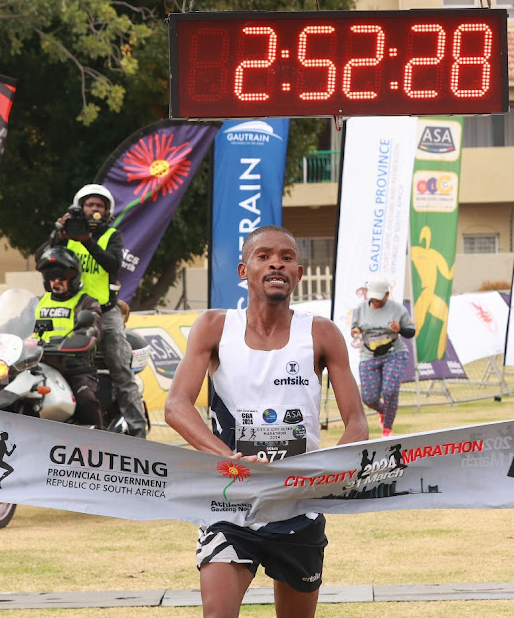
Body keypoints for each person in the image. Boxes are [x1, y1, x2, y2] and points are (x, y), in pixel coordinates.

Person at [164, 225, 368, 618]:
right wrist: (230, 460)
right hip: (231, 501)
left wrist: (323, 476)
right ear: (244, 270)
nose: (276, 262)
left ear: (298, 274)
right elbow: (176, 406)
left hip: (298, 505)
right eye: (264, 256)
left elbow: (357, 424)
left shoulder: (321, 333)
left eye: (287, 257)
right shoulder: (215, 326)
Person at [36, 184, 147, 437]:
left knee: (120, 367)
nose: (94, 209)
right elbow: (40, 259)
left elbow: (113, 265)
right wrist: (58, 235)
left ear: (106, 211)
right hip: (70, 309)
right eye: (89, 205)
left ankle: (139, 432)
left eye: (99, 205)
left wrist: (87, 241)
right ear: (80, 208)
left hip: (105, 313)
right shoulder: (67, 236)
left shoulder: (111, 235)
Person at [35, 246, 103, 429]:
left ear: (73, 277)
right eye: (50, 277)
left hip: (75, 367)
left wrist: (82, 335)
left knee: (85, 398)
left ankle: (102, 443)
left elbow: (92, 327)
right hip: (40, 367)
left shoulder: (86, 302)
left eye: (61, 276)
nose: (55, 281)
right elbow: (17, 323)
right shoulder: (38, 302)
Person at [351, 275, 415, 438]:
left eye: (380, 298)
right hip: (369, 355)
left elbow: (411, 332)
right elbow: (355, 329)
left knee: (390, 390)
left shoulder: (397, 309)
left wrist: (399, 328)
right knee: (369, 398)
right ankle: (383, 411)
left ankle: (387, 429)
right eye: (373, 298)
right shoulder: (360, 310)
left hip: (394, 353)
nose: (376, 301)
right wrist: (356, 332)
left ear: (387, 294)